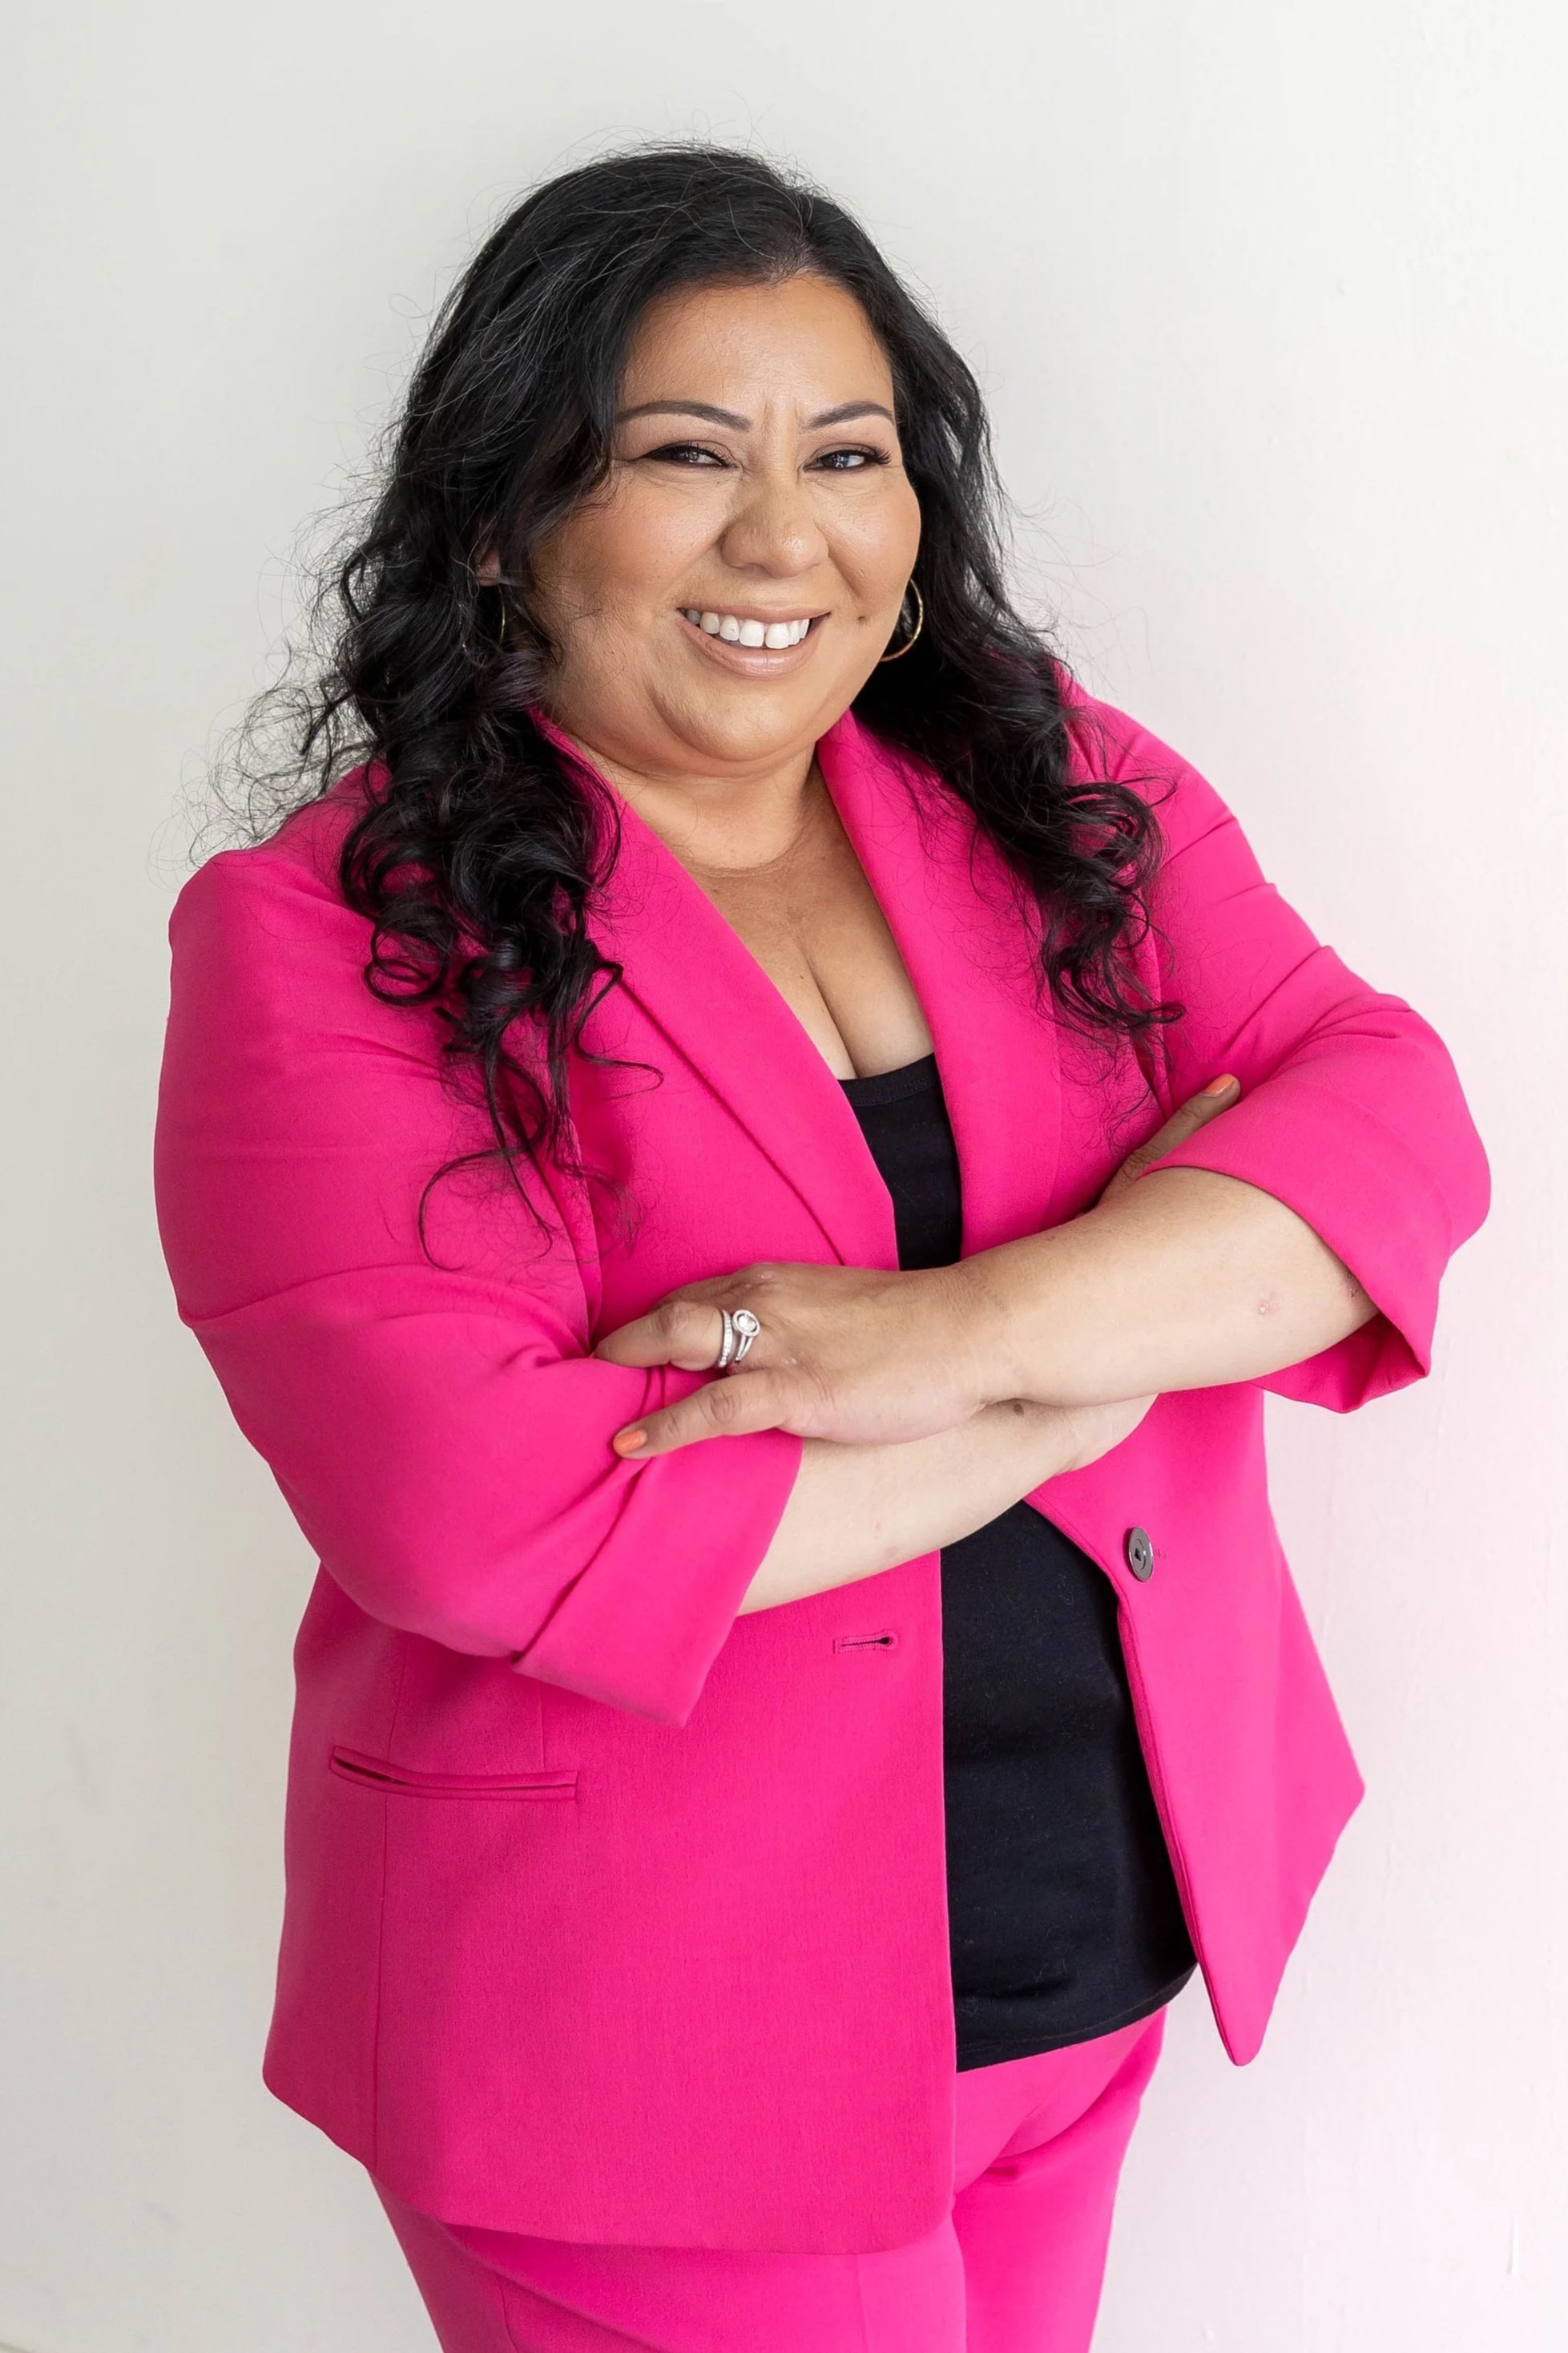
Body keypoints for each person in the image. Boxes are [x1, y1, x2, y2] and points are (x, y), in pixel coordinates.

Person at [152, 143, 1489, 2352]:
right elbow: (487, 1519)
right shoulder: (329, 940)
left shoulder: (1047, 793)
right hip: (654, 2044)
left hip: (1091, 1944)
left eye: (849, 454)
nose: (790, 535)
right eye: (689, 455)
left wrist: (940, 1336)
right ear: (501, 517)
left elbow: (1391, 1133)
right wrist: (1150, 1317)